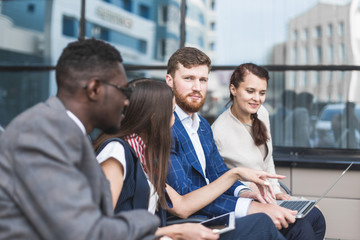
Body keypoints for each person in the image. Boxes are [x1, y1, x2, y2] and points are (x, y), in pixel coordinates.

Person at [0, 39, 160, 239]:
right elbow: (85, 233)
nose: (126, 101)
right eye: (123, 91)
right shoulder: (38, 133)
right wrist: (149, 220)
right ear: (94, 89)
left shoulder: (69, 134)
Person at [93, 78, 285, 240]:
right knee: (261, 225)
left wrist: (235, 174)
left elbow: (183, 205)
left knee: (262, 223)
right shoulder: (116, 152)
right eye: (171, 112)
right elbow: (98, 230)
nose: (174, 120)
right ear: (154, 116)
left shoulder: (145, 156)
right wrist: (175, 231)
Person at [165, 47, 324, 240]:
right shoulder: (165, 128)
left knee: (313, 218)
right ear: (170, 81)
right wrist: (251, 207)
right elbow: (186, 198)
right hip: (198, 221)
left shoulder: (202, 126)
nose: (197, 87)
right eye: (188, 78)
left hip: (221, 209)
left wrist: (246, 193)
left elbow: (219, 173)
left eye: (203, 80)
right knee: (290, 226)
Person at [211, 63, 326, 239]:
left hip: (270, 196)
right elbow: (220, 180)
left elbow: (267, 161)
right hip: (248, 201)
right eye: (250, 91)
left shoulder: (262, 113)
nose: (257, 98)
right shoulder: (218, 131)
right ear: (233, 89)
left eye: (262, 93)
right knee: (302, 226)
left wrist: (277, 192)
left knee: (316, 217)